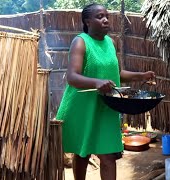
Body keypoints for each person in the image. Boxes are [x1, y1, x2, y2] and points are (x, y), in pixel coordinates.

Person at [56, 3, 155, 180]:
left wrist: (141, 75)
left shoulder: (110, 43)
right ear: (87, 21)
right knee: (82, 153)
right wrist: (96, 82)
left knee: (109, 155)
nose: (105, 20)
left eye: (106, 16)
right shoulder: (80, 42)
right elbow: (72, 77)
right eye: (99, 16)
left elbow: (115, 75)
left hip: (107, 107)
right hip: (83, 107)